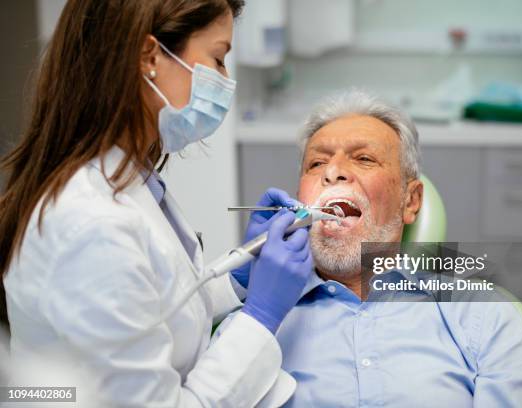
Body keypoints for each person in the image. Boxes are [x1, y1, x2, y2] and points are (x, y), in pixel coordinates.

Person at [0, 1, 312, 406]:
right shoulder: (90, 224)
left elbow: (159, 308)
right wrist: (261, 317)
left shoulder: (131, 181)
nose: (224, 79)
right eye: (217, 59)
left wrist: (239, 279)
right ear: (150, 57)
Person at [276, 90, 522, 406]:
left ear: (411, 201)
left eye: (364, 158)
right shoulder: (258, 322)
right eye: (316, 163)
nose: (332, 171)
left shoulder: (482, 315)